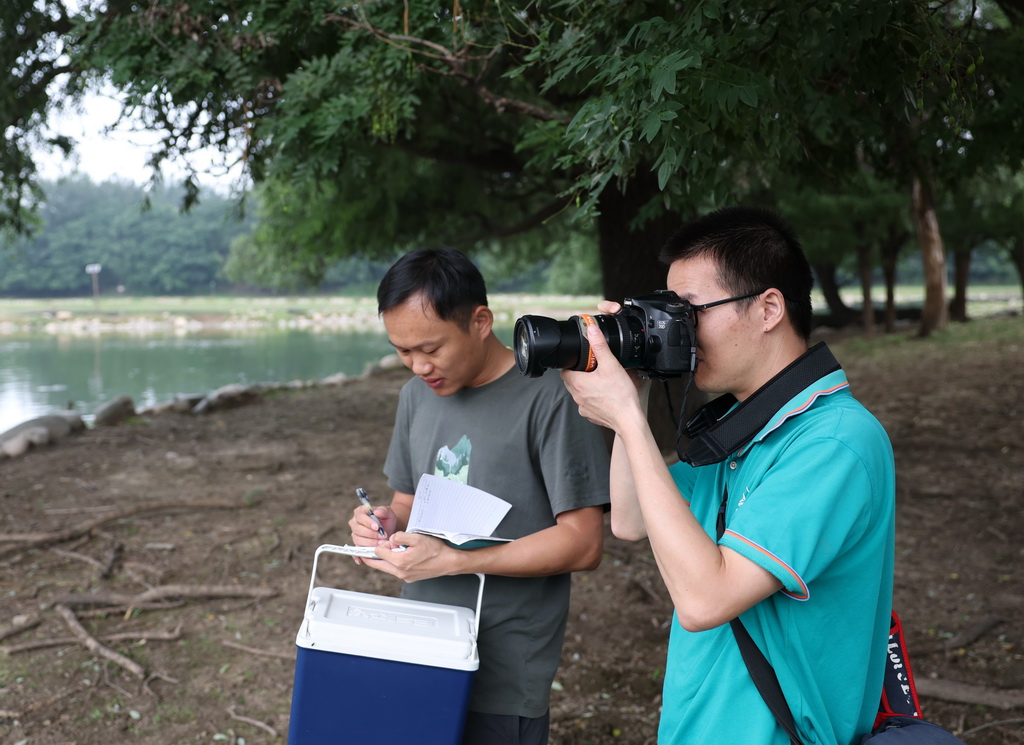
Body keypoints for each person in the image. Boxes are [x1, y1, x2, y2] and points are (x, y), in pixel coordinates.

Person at [560, 206, 896, 745]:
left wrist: (624, 416)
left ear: (767, 309)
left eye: (690, 312)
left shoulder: (835, 443)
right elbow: (629, 518)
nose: (681, 332)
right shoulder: (744, 431)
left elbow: (704, 600)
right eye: (670, 314)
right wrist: (636, 386)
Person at [348, 247, 610, 745]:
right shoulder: (415, 397)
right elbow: (406, 503)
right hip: (421, 643)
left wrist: (456, 561)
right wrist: (381, 523)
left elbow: (583, 542)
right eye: (403, 352)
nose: (418, 366)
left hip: (504, 667)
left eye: (431, 348)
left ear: (481, 321)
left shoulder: (551, 397)